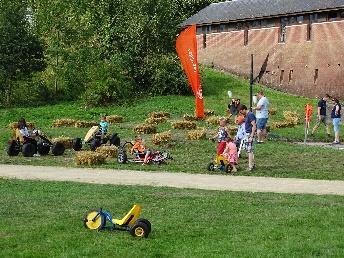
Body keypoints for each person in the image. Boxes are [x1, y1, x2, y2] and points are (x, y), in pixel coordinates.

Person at [239, 105, 257, 171]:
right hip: (247, 134)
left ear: (244, 109)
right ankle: (253, 164)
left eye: (241, 112)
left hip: (250, 134)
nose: (241, 113)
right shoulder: (246, 115)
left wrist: (251, 136)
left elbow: (254, 125)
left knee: (249, 151)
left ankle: (250, 166)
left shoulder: (250, 115)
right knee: (248, 150)